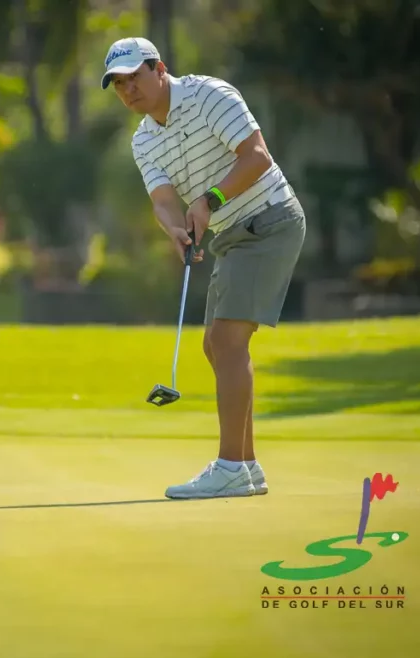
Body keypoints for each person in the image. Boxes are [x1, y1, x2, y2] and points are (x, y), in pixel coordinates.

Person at [101, 37, 306, 499]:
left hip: (270, 219)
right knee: (215, 345)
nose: (128, 89)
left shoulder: (209, 95)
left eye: (134, 77)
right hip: (233, 235)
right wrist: (175, 228)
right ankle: (246, 466)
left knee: (228, 341)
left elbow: (257, 156)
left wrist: (209, 200)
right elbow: (163, 199)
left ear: (160, 69)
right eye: (119, 84)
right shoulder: (144, 140)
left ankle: (230, 467)